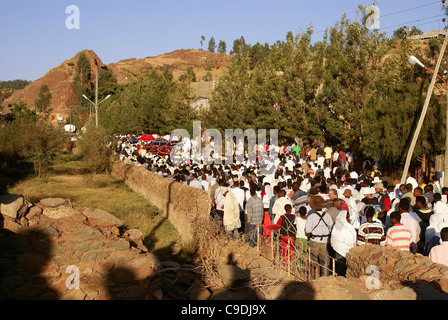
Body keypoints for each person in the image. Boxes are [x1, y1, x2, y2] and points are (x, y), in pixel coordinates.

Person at [305, 195, 334, 277]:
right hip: (325, 241)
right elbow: (331, 228)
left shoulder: (311, 217)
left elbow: (307, 230)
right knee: (325, 264)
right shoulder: (328, 216)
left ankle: (312, 279)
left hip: (314, 241)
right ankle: (324, 280)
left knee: (312, 263)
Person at [330, 210, 357, 276]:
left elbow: (333, 238)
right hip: (347, 250)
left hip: (337, 250)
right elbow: (353, 238)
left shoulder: (335, 226)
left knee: (338, 269)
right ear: (346, 217)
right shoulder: (350, 227)